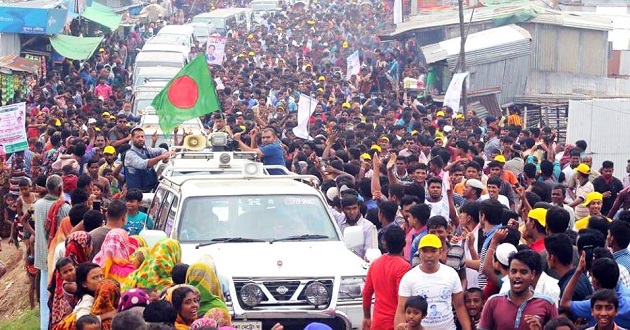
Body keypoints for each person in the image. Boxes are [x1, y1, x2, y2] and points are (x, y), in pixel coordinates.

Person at [395, 234, 471, 330]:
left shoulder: (451, 274)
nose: (429, 255)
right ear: (419, 253)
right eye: (425, 251)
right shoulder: (409, 278)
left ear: (440, 251)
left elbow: (459, 306)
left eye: (433, 251)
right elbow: (401, 310)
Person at [478, 249, 558, 329]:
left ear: (532, 275)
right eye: (514, 271)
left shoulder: (547, 304)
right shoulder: (493, 302)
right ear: (508, 273)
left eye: (523, 272)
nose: (517, 276)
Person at [34, 174, 71, 330]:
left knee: (45, 295)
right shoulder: (64, 207)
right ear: (60, 188)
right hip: (57, 257)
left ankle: (45, 326)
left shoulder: (37, 204)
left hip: (42, 255)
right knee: (57, 295)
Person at [362, 226, 411, 330]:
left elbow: (366, 293)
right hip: (395, 323)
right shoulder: (404, 267)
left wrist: (367, 317)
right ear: (404, 244)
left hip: (377, 322)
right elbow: (402, 299)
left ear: (384, 243)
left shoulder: (375, 263)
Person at [544, 234, 593, 302]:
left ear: (552, 258)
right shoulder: (580, 276)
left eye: (547, 254)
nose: (546, 258)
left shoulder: (570, 288)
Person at [124, 127, 175, 192]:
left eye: (142, 137)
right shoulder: (130, 154)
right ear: (132, 138)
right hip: (135, 194)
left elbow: (161, 150)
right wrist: (162, 156)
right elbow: (143, 164)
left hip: (150, 191)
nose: (140, 139)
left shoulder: (146, 150)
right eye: (137, 137)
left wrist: (166, 155)